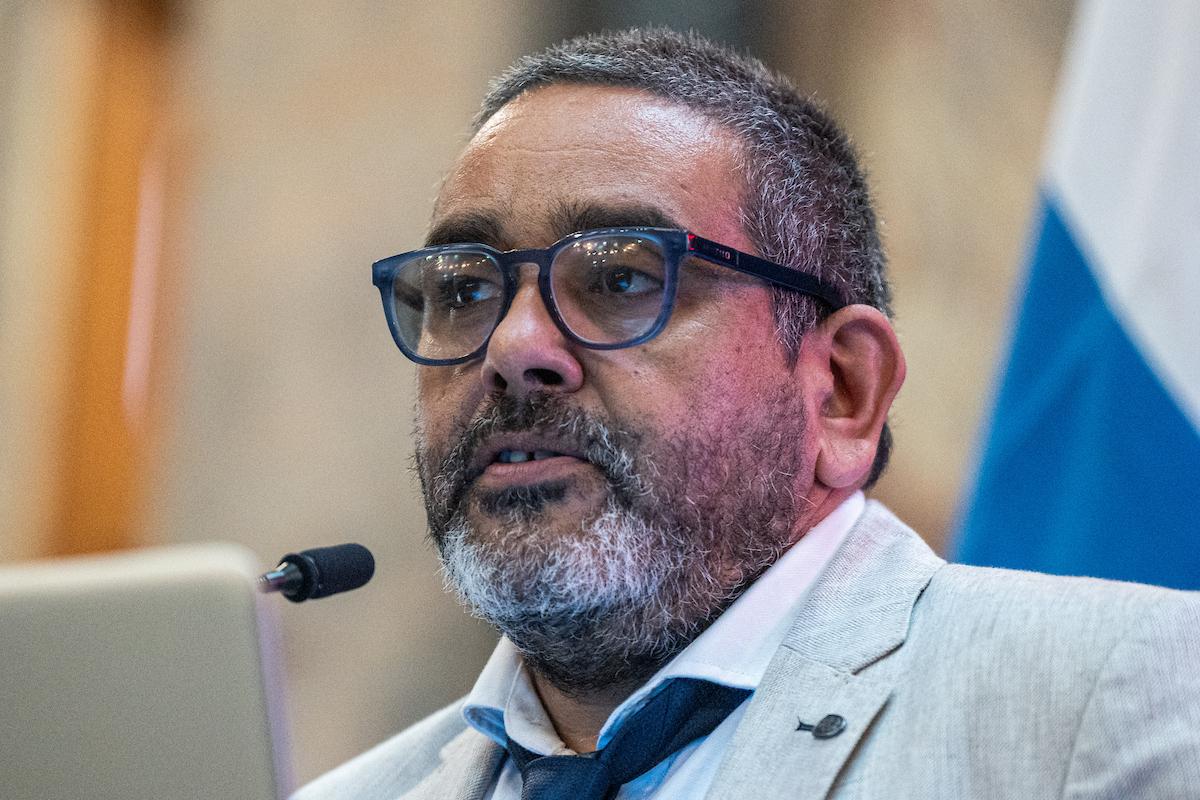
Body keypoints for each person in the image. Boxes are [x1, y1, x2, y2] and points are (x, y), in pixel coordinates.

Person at [294, 28, 1200, 800]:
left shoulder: (1112, 695)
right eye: (462, 290)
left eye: (621, 278)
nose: (513, 345)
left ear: (843, 390)